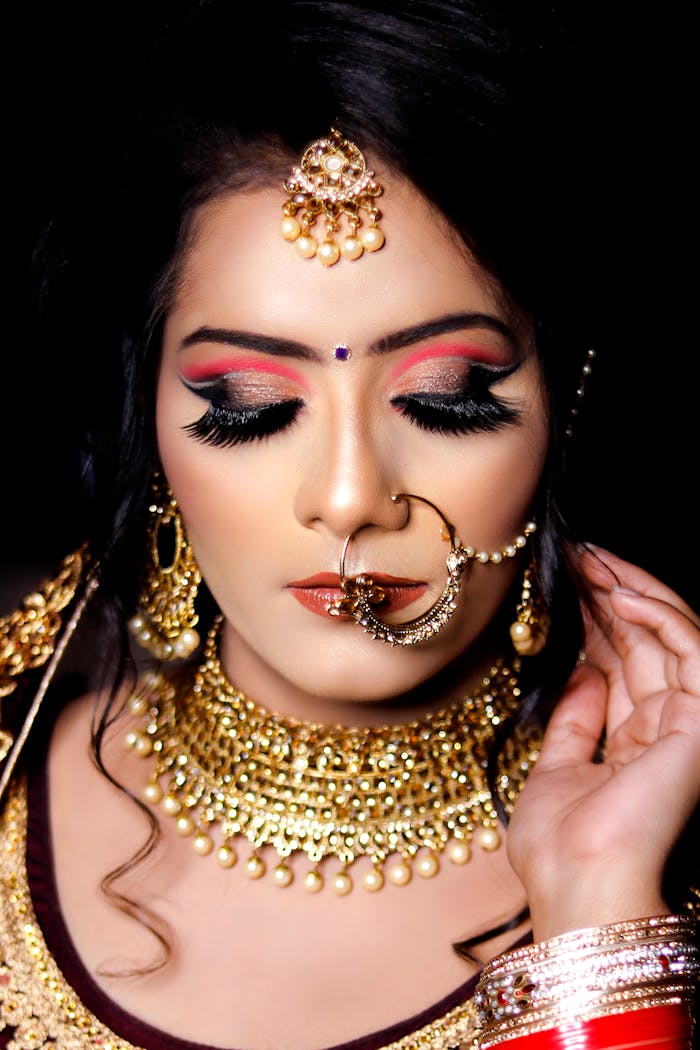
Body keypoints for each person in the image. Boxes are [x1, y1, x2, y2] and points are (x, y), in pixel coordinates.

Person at [1, 2, 698, 1049]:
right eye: (248, 407)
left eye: (446, 398)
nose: (348, 496)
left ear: (567, 406)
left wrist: (600, 920)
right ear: (148, 422)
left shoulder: (652, 867)